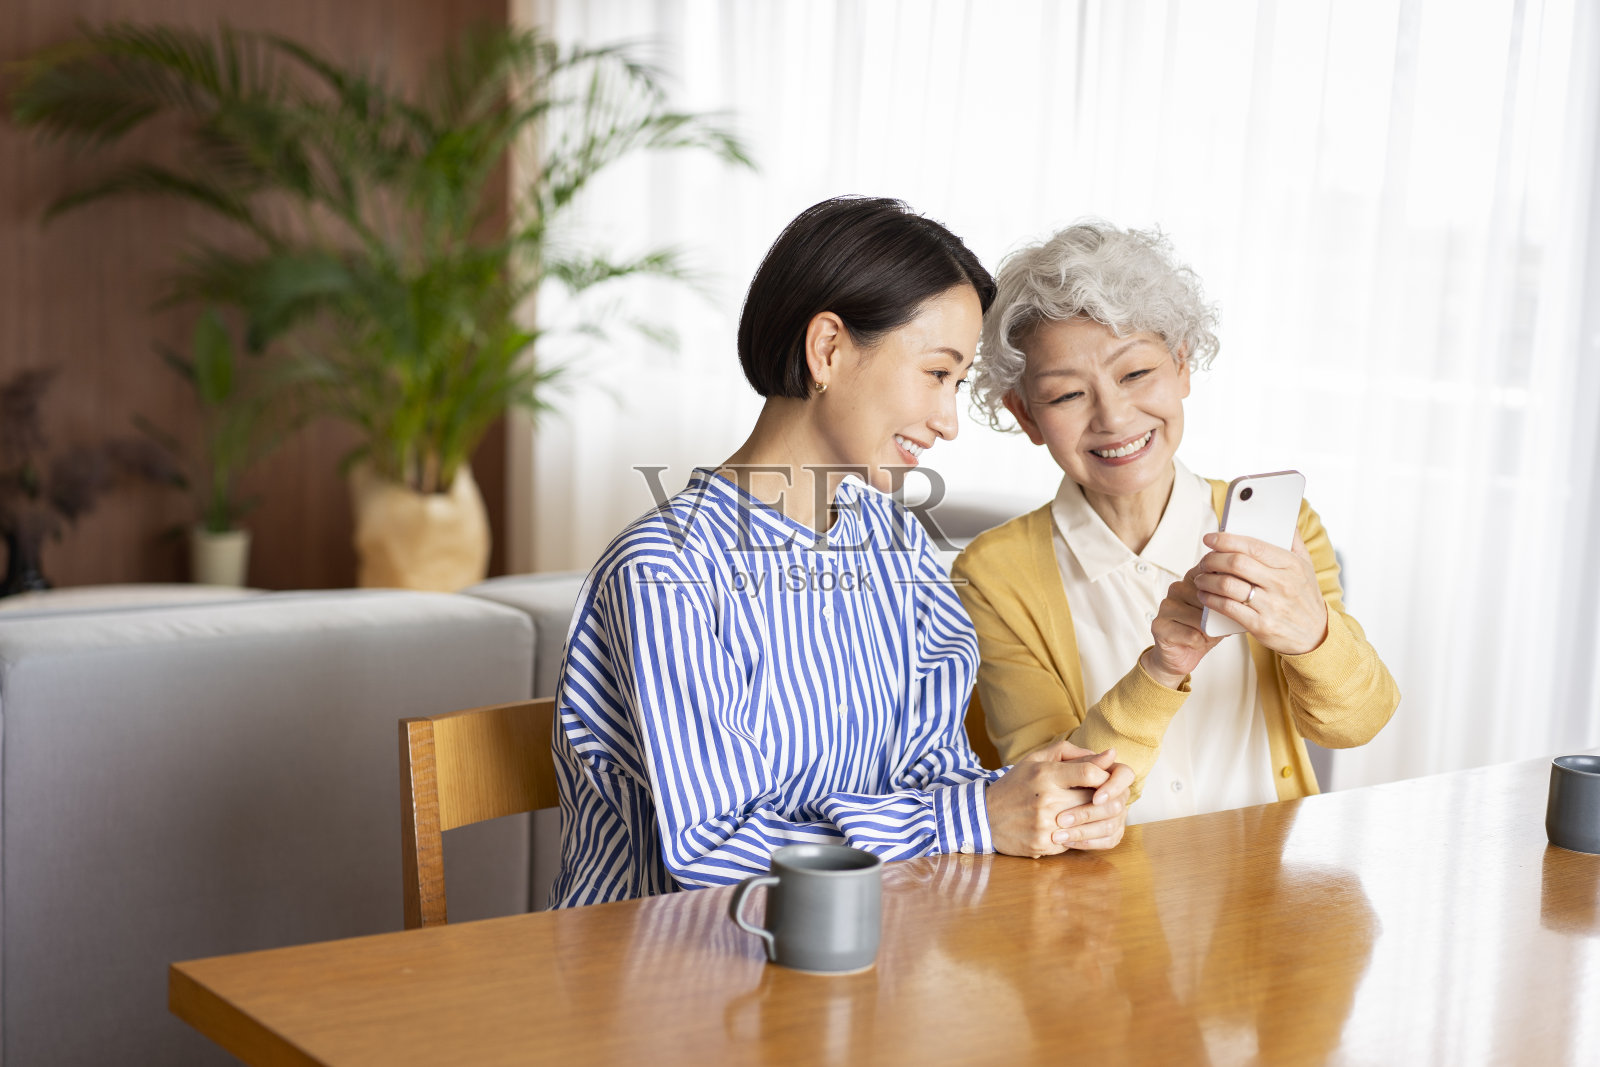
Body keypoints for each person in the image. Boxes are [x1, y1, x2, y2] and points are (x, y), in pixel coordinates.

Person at [549, 197, 1135, 908]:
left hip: (856, 963)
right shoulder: (665, 571)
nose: (949, 421)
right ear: (827, 348)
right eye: (935, 372)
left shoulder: (894, 545)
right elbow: (712, 851)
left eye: (957, 382)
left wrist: (1041, 803)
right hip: (662, 983)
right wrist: (974, 817)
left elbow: (934, 775)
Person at [953, 222, 1399, 822]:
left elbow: (1358, 724)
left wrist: (1310, 632)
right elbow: (1057, 802)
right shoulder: (993, 574)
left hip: (1270, 896)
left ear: (1182, 365)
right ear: (1026, 416)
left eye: (1136, 375)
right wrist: (1162, 670)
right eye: (1066, 396)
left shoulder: (1281, 529)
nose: (1113, 417)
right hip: (1103, 903)